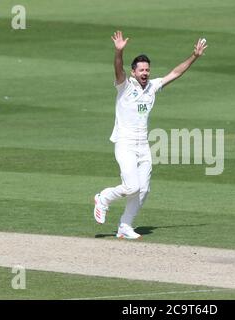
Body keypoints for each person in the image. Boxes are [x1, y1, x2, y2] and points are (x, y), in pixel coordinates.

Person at [93, 31, 208, 239]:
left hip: (143, 145)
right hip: (125, 143)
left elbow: (175, 73)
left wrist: (194, 56)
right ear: (133, 72)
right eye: (141, 70)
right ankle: (103, 197)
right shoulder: (125, 86)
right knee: (131, 186)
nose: (145, 73)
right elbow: (118, 69)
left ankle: (125, 226)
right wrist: (119, 52)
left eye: (147, 69)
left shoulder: (153, 87)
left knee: (143, 190)